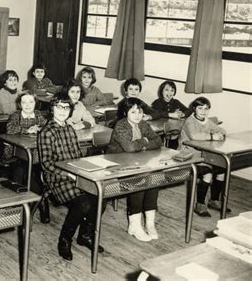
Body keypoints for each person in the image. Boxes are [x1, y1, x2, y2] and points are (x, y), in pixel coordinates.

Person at [38, 93, 105, 261]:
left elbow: (77, 156)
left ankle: (85, 235)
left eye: (66, 108)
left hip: (76, 174)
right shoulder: (46, 132)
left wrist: (86, 170)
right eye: (59, 107)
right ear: (52, 109)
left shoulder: (69, 128)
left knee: (101, 198)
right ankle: (64, 240)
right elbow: (46, 164)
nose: (62, 111)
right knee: (83, 203)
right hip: (57, 178)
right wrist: (68, 174)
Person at [107, 97, 163, 242]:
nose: (137, 115)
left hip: (137, 161)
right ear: (125, 113)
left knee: (154, 178)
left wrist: (143, 145)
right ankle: (135, 224)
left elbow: (158, 140)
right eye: (133, 112)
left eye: (140, 111)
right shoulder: (121, 126)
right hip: (117, 164)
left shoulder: (143, 124)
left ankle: (149, 223)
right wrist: (144, 141)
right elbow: (129, 147)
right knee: (139, 179)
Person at [179, 97, 227, 217]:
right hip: (189, 155)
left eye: (206, 108)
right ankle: (199, 204)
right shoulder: (189, 121)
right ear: (194, 109)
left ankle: (214, 200)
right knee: (208, 173)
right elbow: (195, 135)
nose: (203, 111)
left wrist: (221, 133)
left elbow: (219, 129)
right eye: (200, 108)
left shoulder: (206, 120)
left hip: (204, 155)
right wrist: (212, 137)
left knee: (222, 171)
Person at [5, 91, 49, 222]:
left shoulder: (38, 115)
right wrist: (27, 130)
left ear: (36, 103)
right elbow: (9, 129)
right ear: (19, 104)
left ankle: (38, 202)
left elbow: (47, 126)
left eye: (31, 102)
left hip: (35, 153)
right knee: (21, 172)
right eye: (24, 102)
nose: (27, 105)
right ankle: (29, 204)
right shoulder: (16, 116)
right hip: (15, 152)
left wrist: (40, 129)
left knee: (39, 171)